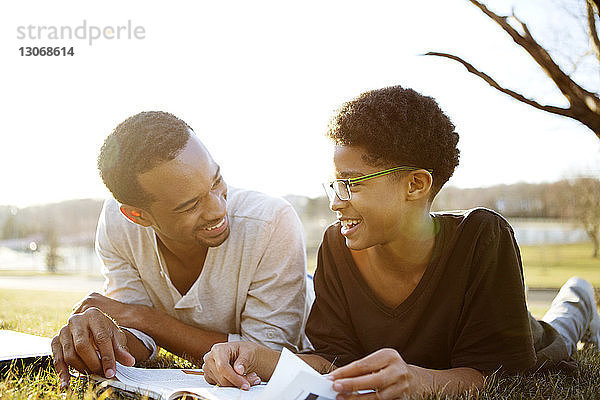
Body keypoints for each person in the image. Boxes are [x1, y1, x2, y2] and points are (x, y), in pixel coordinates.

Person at [201, 86, 600, 398]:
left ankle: (579, 296)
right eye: (335, 184)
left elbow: (499, 374)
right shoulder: (336, 247)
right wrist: (261, 358)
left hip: (536, 342)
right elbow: (333, 359)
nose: (336, 202)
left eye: (351, 184)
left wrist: (418, 380)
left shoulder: (483, 237)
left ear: (415, 184)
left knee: (562, 329)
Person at [51, 111, 312, 389]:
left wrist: (145, 317)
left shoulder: (270, 222)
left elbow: (260, 356)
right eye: (190, 205)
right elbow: (138, 339)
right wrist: (104, 338)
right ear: (138, 216)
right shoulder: (118, 225)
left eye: (216, 180)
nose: (218, 209)